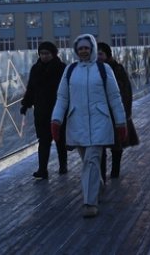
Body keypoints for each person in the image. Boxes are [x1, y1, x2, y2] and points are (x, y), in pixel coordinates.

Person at [51, 34, 127, 218]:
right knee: (87, 161)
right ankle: (97, 184)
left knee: (92, 160)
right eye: (80, 48)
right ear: (76, 51)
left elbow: (114, 97)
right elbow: (62, 98)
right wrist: (56, 120)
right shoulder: (70, 70)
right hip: (77, 121)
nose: (83, 51)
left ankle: (89, 202)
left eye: (87, 48)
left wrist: (121, 122)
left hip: (100, 121)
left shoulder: (103, 69)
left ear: (92, 49)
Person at [21, 41, 68, 179]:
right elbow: (31, 88)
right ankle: (42, 169)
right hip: (41, 112)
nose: (44, 56)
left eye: (47, 53)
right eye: (41, 53)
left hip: (58, 110)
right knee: (43, 141)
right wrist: (26, 104)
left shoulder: (61, 68)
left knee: (60, 140)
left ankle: (63, 165)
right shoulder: (36, 69)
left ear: (53, 54)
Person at [97, 42, 133, 180]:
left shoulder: (116, 69)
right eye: (97, 53)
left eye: (101, 54)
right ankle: (101, 174)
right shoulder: (94, 69)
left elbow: (126, 91)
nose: (99, 57)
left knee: (116, 143)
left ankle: (115, 171)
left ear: (107, 54)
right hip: (100, 112)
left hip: (114, 111)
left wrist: (125, 112)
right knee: (100, 144)